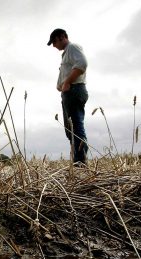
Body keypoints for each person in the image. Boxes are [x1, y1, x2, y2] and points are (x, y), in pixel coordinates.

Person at [47, 28, 89, 166]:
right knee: (70, 129)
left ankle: (80, 161)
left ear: (62, 37)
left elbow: (82, 64)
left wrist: (67, 82)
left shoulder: (72, 47)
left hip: (74, 91)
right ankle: (77, 159)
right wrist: (62, 84)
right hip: (70, 92)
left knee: (76, 126)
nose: (53, 45)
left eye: (54, 42)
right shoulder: (66, 54)